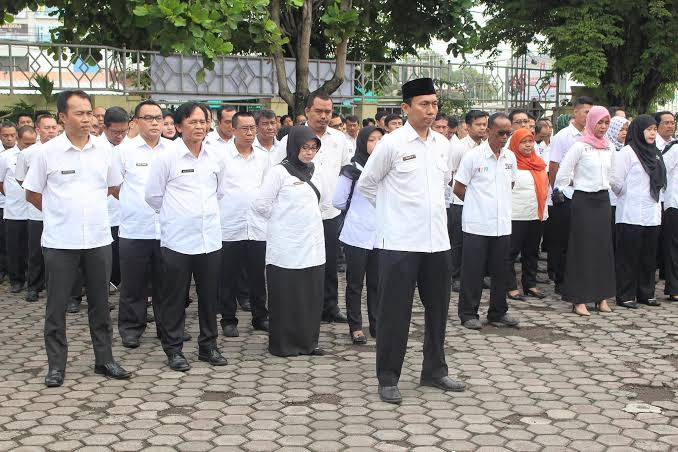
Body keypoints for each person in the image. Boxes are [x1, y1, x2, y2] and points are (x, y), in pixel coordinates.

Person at [358, 78, 465, 404]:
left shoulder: (443, 144)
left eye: (434, 104)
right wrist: (393, 215)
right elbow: (367, 184)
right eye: (424, 104)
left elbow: (445, 186)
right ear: (406, 108)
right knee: (394, 313)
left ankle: (434, 369)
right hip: (400, 244)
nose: (431, 110)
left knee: (437, 310)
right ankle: (388, 377)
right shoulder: (392, 143)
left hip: (437, 243)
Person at [23, 90, 130, 387]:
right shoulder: (47, 152)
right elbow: (32, 192)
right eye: (80, 113)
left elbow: (112, 186)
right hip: (60, 241)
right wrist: (60, 212)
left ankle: (105, 359)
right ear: (62, 117)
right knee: (56, 307)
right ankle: (56, 366)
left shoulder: (104, 150)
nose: (87, 119)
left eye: (89, 113)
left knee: (100, 303)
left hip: (98, 239)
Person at [145, 102, 228, 371]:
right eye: (193, 122)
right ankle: (174, 349)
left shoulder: (216, 156)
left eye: (203, 121)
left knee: (208, 297)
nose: (199, 127)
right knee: (175, 298)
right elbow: (153, 196)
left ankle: (208, 346)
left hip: (209, 240)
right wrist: (178, 216)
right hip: (178, 241)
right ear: (179, 127)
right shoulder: (166, 157)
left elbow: (220, 192)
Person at [278, 92, 351, 323]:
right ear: (307, 111)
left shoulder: (340, 140)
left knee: (330, 262)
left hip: (329, 212)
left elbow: (345, 172)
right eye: (318, 111)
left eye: (328, 111)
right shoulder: (289, 139)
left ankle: (330, 306)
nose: (323, 116)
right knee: (302, 262)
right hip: (298, 216)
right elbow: (277, 171)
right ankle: (304, 308)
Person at [253, 126, 325, 357]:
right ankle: (284, 344)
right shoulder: (279, 172)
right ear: (294, 146)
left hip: (312, 243)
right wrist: (284, 222)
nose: (309, 152)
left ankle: (308, 342)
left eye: (313, 148)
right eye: (305, 147)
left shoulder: (317, 170)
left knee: (309, 295)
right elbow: (261, 205)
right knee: (286, 295)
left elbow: (323, 203)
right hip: (285, 245)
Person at [111, 100, 172, 348]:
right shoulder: (123, 151)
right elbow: (113, 187)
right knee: (133, 284)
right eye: (148, 118)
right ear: (135, 122)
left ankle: (167, 327)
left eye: (158, 117)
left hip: (168, 230)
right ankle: (131, 328)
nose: (155, 122)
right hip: (135, 228)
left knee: (166, 284)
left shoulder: (173, 150)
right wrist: (133, 204)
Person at [453, 113, 519, 329]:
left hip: (502, 224)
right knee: (473, 271)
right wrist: (477, 205)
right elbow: (459, 188)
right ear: (488, 130)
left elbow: (510, 185)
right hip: (477, 225)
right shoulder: (473, 156)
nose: (505, 137)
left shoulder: (510, 157)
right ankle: (468, 313)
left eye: (508, 133)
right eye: (501, 132)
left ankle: (498, 312)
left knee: (501, 271)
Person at [554, 106, 615, 316]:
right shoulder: (580, 146)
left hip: (603, 201)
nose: (603, 127)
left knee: (602, 249)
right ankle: (578, 299)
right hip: (583, 201)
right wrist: (576, 187)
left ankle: (602, 297)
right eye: (600, 122)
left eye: (607, 123)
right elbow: (561, 176)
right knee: (582, 249)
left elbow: (613, 177)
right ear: (591, 122)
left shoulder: (609, 147)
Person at [216, 111, 270, 338]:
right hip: (230, 225)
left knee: (258, 276)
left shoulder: (264, 158)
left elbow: (268, 190)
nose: (250, 133)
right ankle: (228, 320)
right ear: (233, 130)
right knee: (228, 276)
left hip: (257, 226)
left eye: (252, 128)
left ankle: (261, 317)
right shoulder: (221, 156)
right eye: (244, 128)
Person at [333, 126, 384, 344]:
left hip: (381, 233)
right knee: (355, 283)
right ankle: (355, 327)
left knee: (377, 283)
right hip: (357, 234)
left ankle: (376, 323)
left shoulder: (388, 168)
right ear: (363, 143)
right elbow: (337, 200)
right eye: (372, 140)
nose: (377, 144)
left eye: (381, 140)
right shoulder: (351, 170)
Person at [612, 115, 666, 309]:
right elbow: (616, 181)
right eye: (648, 129)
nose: (652, 133)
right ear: (638, 130)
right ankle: (625, 294)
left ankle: (646, 293)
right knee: (628, 256)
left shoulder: (656, 153)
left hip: (652, 213)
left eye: (654, 129)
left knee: (648, 256)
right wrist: (629, 195)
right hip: (630, 213)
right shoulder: (627, 152)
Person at [547, 97, 594, 293]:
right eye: (585, 112)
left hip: (586, 195)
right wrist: (557, 190)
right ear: (575, 111)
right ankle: (560, 279)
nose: (588, 117)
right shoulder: (563, 136)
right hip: (566, 193)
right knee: (562, 239)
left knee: (580, 239)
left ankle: (577, 277)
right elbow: (554, 166)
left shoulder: (592, 137)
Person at [15, 114, 59, 301]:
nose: (51, 131)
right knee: (35, 252)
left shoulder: (63, 151)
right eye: (46, 128)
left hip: (60, 214)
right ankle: (34, 286)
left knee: (59, 254)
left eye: (53, 127)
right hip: (37, 212)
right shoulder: (28, 153)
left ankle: (58, 288)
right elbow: (21, 179)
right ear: (38, 130)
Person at [505, 128, 549, 301]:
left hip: (536, 214)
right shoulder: (510, 162)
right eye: (524, 142)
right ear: (516, 143)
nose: (528, 145)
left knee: (531, 252)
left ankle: (530, 285)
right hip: (516, 215)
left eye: (530, 141)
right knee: (511, 252)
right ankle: (510, 286)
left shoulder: (538, 163)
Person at [448, 110, 489, 292]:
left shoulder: (487, 146)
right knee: (458, 241)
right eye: (478, 124)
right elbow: (450, 174)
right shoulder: (459, 147)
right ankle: (455, 276)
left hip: (480, 202)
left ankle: (475, 275)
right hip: (459, 201)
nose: (482, 128)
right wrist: (462, 193)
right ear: (467, 126)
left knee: (477, 241)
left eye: (484, 124)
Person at [0, 125, 35, 293]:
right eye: (26, 143)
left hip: (34, 210)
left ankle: (34, 279)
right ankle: (16, 279)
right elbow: (0, 183)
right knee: (14, 247)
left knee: (32, 248)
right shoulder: (6, 157)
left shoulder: (38, 154)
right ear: (18, 140)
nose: (29, 147)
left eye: (32, 143)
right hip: (14, 210)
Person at [100, 107, 130, 293]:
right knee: (102, 264)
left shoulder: (131, 147)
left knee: (123, 262)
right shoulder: (95, 148)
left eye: (123, 131)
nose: (120, 136)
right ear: (104, 128)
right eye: (115, 132)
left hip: (125, 215)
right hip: (102, 214)